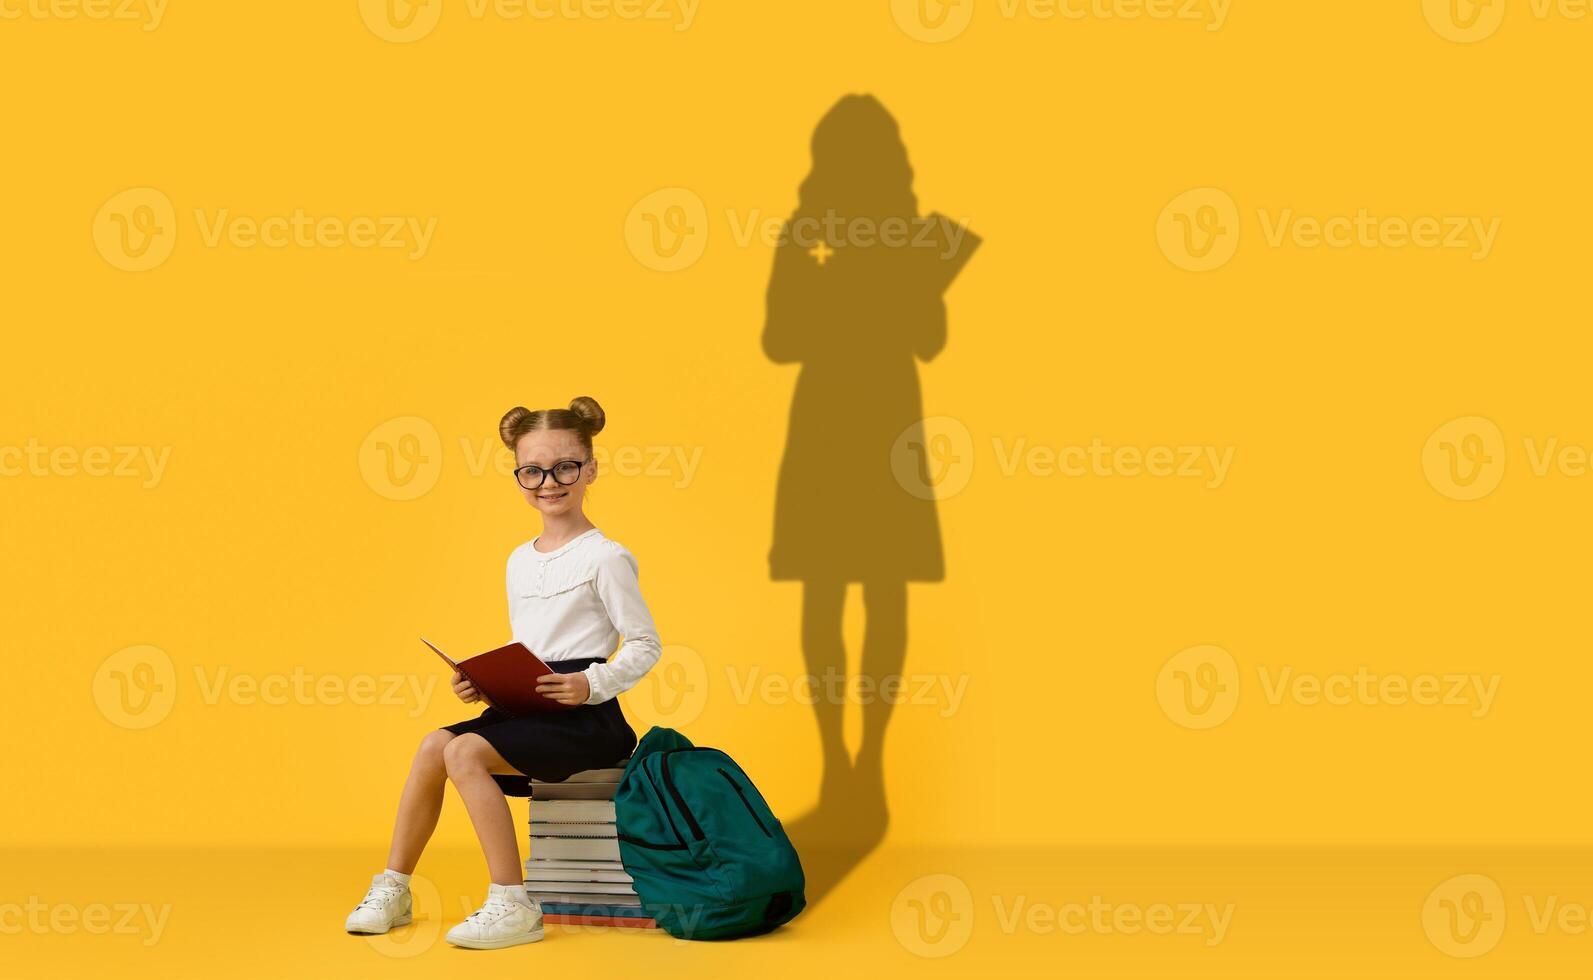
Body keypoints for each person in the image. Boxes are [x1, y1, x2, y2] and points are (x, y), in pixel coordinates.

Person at [344, 396, 662, 949]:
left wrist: (592, 683)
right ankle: (394, 886)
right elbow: (531, 647)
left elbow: (645, 644)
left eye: (564, 467)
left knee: (464, 753)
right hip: (524, 706)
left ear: (590, 469)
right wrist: (483, 684)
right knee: (430, 745)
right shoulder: (519, 559)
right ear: (518, 476)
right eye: (532, 470)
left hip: (583, 716)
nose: (548, 482)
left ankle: (513, 903)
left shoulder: (606, 557)